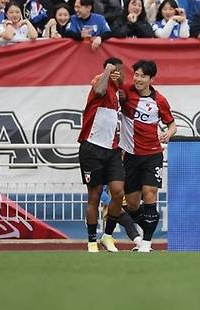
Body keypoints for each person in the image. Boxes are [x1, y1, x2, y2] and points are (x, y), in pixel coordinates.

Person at [119, 60, 177, 252]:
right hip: (130, 156)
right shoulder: (126, 91)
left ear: (152, 79)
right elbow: (113, 87)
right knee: (133, 204)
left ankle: (146, 243)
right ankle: (148, 227)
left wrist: (168, 133)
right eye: (136, 74)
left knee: (150, 193)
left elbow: (172, 124)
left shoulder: (159, 100)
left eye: (143, 76)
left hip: (152, 155)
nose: (138, 79)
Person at [77, 58, 131, 253]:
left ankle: (107, 236)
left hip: (113, 149)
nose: (119, 74)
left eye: (120, 71)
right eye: (114, 70)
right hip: (92, 148)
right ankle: (91, 241)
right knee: (94, 195)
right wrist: (106, 72)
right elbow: (99, 90)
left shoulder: (119, 92)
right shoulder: (100, 84)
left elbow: (126, 92)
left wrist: (119, 80)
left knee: (118, 192)